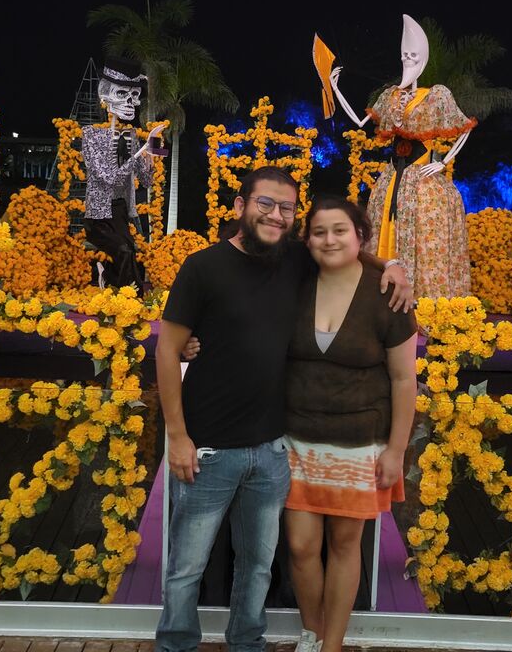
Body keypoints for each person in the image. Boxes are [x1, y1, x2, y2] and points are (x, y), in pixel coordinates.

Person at [154, 166, 412, 652]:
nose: (275, 215)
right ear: (240, 206)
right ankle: (176, 644)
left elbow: (346, 248)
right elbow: (167, 351)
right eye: (265, 203)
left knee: (258, 566)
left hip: (274, 449)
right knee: (188, 566)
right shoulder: (203, 267)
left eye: (286, 208)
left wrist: (394, 265)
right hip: (212, 447)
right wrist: (178, 435)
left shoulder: (293, 259)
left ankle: (251, 643)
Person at [282, 196, 417, 652]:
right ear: (307, 241)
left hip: (360, 444)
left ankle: (332, 645)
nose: (329, 240)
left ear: (360, 235)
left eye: (340, 230)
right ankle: (312, 633)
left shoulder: (388, 295)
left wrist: (396, 450)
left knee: (344, 545)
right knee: (300, 546)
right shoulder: (295, 280)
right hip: (296, 442)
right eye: (318, 232)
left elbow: (403, 380)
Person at [327, 15, 475, 300]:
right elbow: (359, 121)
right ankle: (379, 293)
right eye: (404, 55)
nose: (408, 60)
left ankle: (423, 299)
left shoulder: (436, 95)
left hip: (422, 180)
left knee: (426, 233)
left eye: (413, 55)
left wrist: (442, 162)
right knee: (382, 228)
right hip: (392, 179)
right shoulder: (390, 96)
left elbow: (464, 129)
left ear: (423, 59)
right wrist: (336, 90)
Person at [82, 56, 164, 288]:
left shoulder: (130, 136)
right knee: (124, 251)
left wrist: (150, 154)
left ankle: (125, 292)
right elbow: (108, 178)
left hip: (119, 211)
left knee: (131, 253)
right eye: (121, 94)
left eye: (134, 95)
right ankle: (116, 286)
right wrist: (138, 153)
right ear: (105, 95)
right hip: (98, 217)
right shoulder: (91, 134)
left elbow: (146, 181)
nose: (130, 102)